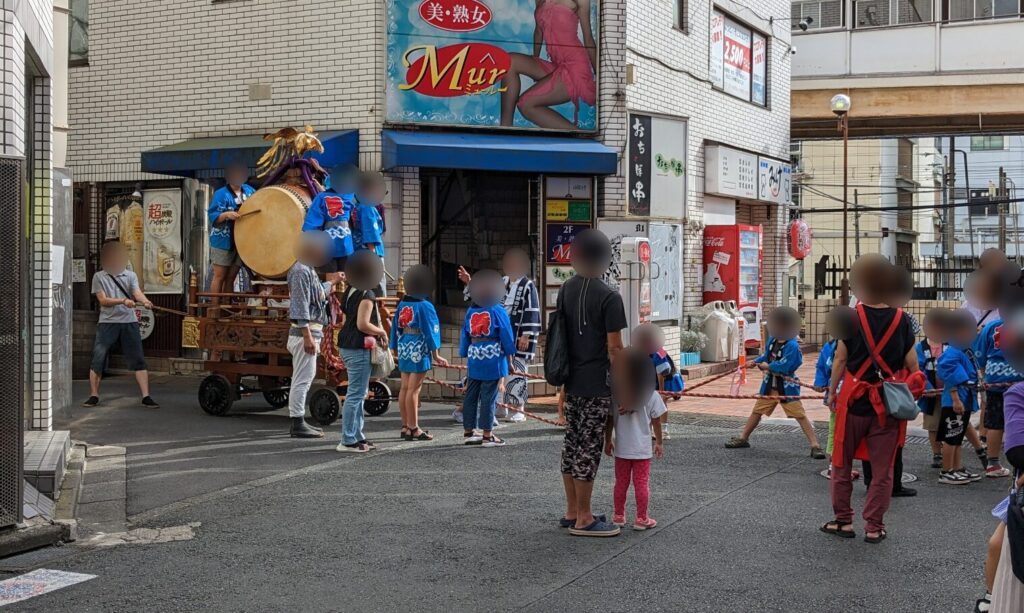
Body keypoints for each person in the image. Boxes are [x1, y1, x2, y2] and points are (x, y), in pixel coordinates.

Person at [823, 255, 923, 544]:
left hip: (853, 401)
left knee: (841, 462)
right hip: (887, 406)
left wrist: (831, 391)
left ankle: (843, 521)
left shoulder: (851, 316)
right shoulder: (902, 320)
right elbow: (913, 366)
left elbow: (840, 359)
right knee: (883, 469)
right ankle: (874, 526)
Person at [556, 229, 626, 537]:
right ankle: (585, 518)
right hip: (598, 384)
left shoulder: (566, 289)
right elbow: (615, 349)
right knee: (589, 447)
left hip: (572, 381)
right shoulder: (610, 297)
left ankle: (572, 511)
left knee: (572, 444)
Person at [725, 306, 826, 459]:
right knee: (757, 411)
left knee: (800, 415)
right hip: (769, 386)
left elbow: (788, 364)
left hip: (786, 388)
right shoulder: (773, 340)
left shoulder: (792, 345)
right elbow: (767, 356)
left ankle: (815, 445)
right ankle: (743, 437)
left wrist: (769, 366)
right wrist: (756, 362)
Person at [457, 248, 542, 424]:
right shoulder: (502, 282)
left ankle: (519, 408)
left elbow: (532, 309)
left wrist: (526, 335)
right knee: (501, 371)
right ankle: (501, 406)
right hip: (499, 336)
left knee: (517, 372)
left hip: (518, 336)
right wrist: (470, 282)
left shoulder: (528, 285)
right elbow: (484, 295)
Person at [82, 242, 158, 409]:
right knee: (98, 359)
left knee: (138, 358)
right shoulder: (99, 277)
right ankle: (94, 395)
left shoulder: (130, 275)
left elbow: (136, 292)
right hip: (107, 323)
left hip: (129, 321)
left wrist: (145, 301)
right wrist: (123, 300)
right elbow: (103, 301)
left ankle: (146, 396)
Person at [499, 0, 597, 130]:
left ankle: (577, 136)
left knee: (525, 104)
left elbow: (589, 39)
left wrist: (601, 77)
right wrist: (535, 60)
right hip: (556, 65)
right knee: (509, 61)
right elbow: (538, 32)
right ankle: (505, 128)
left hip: (575, 68)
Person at [605, 347, 665, 531]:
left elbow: (609, 419)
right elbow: (657, 419)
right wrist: (659, 442)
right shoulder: (650, 394)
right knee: (641, 483)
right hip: (642, 449)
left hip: (622, 448)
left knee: (620, 483)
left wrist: (607, 440)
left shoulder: (616, 395)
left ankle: (618, 516)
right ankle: (641, 518)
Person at [335, 251, 388, 453]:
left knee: (358, 393)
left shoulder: (350, 290)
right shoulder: (367, 294)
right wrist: (381, 330)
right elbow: (363, 324)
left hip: (347, 344)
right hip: (357, 346)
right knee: (356, 394)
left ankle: (357, 435)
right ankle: (348, 439)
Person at [285, 232, 336, 439]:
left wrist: (331, 284)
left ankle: (299, 420)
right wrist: (306, 334)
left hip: (311, 330)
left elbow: (316, 296)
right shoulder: (300, 270)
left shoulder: (307, 269)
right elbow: (300, 306)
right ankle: (297, 421)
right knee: (302, 379)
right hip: (305, 332)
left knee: (304, 377)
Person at [459, 269, 517, 448]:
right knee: (489, 396)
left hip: (475, 355)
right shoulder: (497, 310)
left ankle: (469, 431)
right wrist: (510, 360)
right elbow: (507, 336)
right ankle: (487, 434)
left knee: (472, 394)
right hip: (493, 356)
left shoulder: (471, 311)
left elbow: (464, 335)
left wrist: (465, 352)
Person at [390, 265, 447, 442]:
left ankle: (406, 425)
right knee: (414, 389)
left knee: (405, 387)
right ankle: (414, 427)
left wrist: (394, 347)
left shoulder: (403, 304)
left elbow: (395, 327)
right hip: (419, 347)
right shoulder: (425, 306)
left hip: (405, 345)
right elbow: (431, 330)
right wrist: (436, 354)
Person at [936, 309, 984, 485]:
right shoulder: (953, 352)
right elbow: (949, 376)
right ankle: (946, 470)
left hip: (964, 398)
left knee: (957, 437)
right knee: (951, 437)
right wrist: (956, 399)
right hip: (955, 400)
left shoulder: (963, 350)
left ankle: (956, 468)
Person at [977, 315, 1023, 478]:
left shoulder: (991, 326)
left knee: (995, 423)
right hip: (1020, 381)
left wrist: (985, 375)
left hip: (995, 379)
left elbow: (980, 355)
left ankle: (993, 463)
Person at [815, 307, 854, 479]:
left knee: (840, 431)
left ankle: (838, 465)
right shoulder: (831, 347)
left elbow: (822, 367)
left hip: (842, 395)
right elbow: (822, 367)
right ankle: (835, 465)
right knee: (838, 431)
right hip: (840, 396)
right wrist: (820, 382)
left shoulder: (835, 346)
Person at [207, 163, 255, 297]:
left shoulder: (250, 191)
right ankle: (215, 307)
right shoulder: (220, 194)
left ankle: (227, 306)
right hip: (223, 240)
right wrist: (226, 214)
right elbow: (212, 215)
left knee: (231, 277)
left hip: (241, 241)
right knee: (219, 276)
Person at [303, 164, 357, 277]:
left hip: (326, 246)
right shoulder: (350, 196)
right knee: (346, 281)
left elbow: (311, 225)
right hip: (347, 245)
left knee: (330, 281)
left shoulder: (321, 197)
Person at [632, 323, 683, 440]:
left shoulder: (657, 352)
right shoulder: (647, 350)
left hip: (666, 381)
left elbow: (662, 373)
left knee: (662, 404)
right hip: (654, 382)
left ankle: (664, 431)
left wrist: (661, 390)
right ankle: (650, 430)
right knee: (651, 405)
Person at [918, 308, 951, 469]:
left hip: (950, 392)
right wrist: (927, 387)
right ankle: (936, 453)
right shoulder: (921, 347)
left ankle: (948, 451)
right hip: (930, 394)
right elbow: (918, 369)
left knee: (949, 423)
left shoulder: (950, 344)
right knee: (932, 425)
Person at [352, 172, 388, 296]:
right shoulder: (367, 208)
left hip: (359, 253)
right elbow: (370, 233)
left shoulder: (357, 207)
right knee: (377, 290)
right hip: (370, 253)